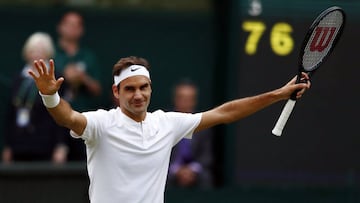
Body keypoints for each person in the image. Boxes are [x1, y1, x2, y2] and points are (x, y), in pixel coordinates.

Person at [28, 56, 310, 203]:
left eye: (143, 87)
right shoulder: (101, 124)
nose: (138, 95)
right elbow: (68, 118)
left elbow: (225, 113)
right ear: (116, 91)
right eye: (130, 89)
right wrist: (50, 97)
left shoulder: (166, 124)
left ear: (151, 88)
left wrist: (279, 94)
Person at [2, 32, 68, 164]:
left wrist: (61, 145)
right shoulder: (18, 79)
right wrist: (7, 146)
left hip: (46, 144)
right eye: (33, 51)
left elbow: (62, 113)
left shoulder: (55, 78)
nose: (36, 55)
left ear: (48, 53)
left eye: (41, 51)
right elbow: (11, 113)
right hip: (19, 144)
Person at [55, 11, 103, 161]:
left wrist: (82, 78)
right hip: (56, 121)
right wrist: (64, 76)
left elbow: (97, 89)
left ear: (81, 30)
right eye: (69, 24)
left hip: (83, 120)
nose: (72, 29)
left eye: (76, 25)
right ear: (60, 27)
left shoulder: (88, 56)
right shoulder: (52, 54)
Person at [168, 79, 214, 188]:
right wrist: (177, 171)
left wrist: (192, 170)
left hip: (195, 173)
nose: (185, 103)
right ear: (175, 99)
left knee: (206, 177)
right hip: (170, 171)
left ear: (194, 101)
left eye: (189, 99)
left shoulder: (203, 125)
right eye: (182, 98)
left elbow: (207, 157)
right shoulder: (165, 122)